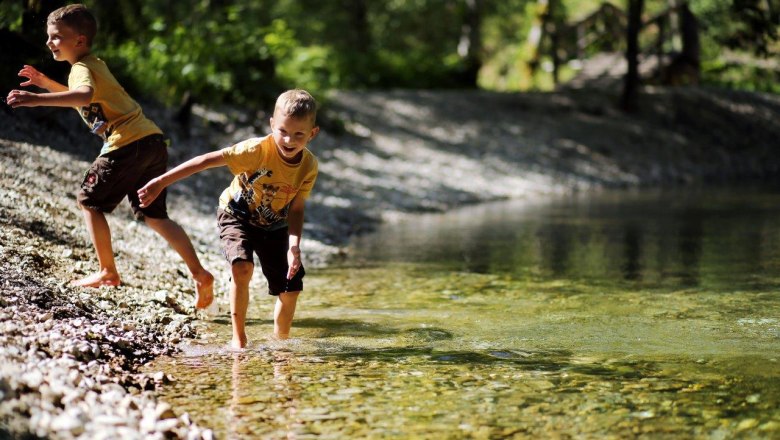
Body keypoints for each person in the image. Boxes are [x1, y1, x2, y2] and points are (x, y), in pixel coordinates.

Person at [5, 4, 214, 308]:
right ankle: (200, 274)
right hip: (152, 142)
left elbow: (83, 96)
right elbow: (83, 100)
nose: (50, 43)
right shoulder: (93, 64)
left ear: (79, 40)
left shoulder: (81, 69)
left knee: (89, 201)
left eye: (56, 37)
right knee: (154, 216)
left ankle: (107, 272)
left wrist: (35, 99)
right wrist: (46, 83)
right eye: (49, 37)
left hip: (126, 143)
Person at [137, 89, 320, 348]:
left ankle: (282, 346)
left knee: (291, 287)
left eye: (298, 134)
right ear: (272, 125)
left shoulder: (309, 166)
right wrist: (161, 182)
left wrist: (294, 246)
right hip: (237, 215)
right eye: (283, 131)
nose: (289, 140)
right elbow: (204, 161)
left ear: (312, 133)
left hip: (275, 225)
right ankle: (239, 339)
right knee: (242, 267)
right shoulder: (256, 150)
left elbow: (298, 208)